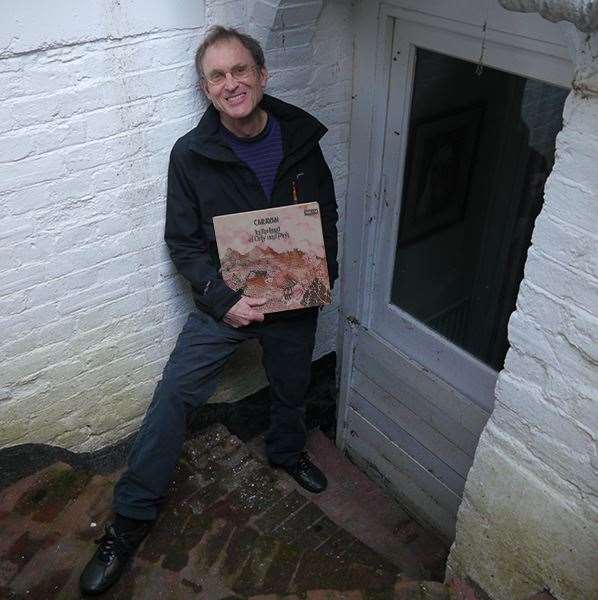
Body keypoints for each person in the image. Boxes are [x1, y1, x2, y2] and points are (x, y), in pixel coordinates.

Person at [79, 25, 338, 596]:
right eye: (218, 76)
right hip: (228, 301)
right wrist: (224, 301)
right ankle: (129, 522)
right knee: (175, 393)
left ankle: (287, 452)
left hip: (292, 297)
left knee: (293, 383)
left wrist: (321, 277)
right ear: (205, 88)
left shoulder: (301, 137)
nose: (232, 83)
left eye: (241, 70)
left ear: (261, 76)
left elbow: (325, 216)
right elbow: (183, 243)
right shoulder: (191, 155)